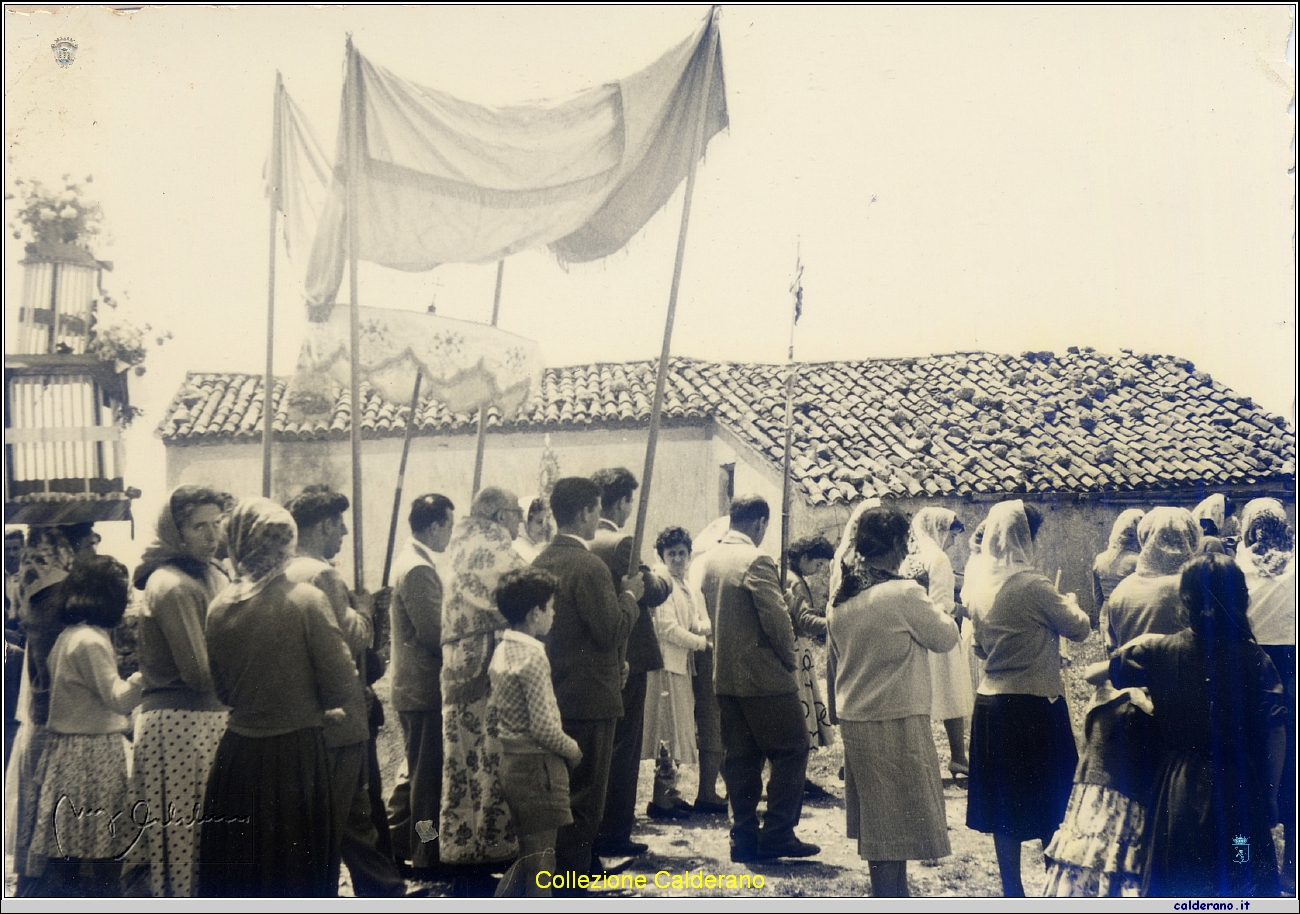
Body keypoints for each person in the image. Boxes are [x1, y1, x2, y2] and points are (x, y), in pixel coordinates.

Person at [199, 498, 361, 897]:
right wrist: (319, 707)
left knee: (242, 870)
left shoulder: (218, 608)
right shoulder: (306, 600)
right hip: (295, 755)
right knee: (294, 868)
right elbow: (342, 683)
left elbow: (221, 691)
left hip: (237, 755)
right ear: (287, 544)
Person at [1042, 506, 1201, 897]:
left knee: (1120, 811)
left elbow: (1113, 649)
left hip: (1119, 703)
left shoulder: (1125, 589)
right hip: (1169, 708)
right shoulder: (1188, 588)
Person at [1110, 555, 1284, 897]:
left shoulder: (1157, 650)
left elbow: (1113, 671)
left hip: (1180, 794)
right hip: (1240, 797)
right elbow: (1275, 734)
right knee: (1241, 874)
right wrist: (1271, 795)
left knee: (1180, 881)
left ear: (1185, 599)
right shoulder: (1256, 661)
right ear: (1242, 598)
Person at [827, 505, 959, 896]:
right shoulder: (903, 593)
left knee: (881, 825)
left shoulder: (842, 599)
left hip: (858, 719)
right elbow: (945, 637)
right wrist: (947, 611)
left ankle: (892, 894)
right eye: (906, 542)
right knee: (894, 825)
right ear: (898, 545)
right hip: (895, 717)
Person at [966, 499, 1091, 897]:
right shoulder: (1034, 584)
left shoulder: (979, 585)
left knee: (1005, 804)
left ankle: (1012, 888)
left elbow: (981, 650)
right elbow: (1079, 629)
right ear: (1025, 537)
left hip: (991, 703)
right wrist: (1069, 602)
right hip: (1036, 702)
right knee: (1050, 797)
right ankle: (1055, 880)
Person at [283, 485, 403, 897]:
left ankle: (383, 886)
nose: (344, 534)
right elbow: (354, 638)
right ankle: (383, 890)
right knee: (355, 813)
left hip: (305, 712)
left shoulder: (282, 570)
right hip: (343, 712)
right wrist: (366, 609)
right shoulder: (322, 575)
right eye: (338, 524)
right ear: (321, 526)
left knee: (343, 816)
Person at [695, 495, 818, 864]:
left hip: (727, 676)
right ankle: (779, 832)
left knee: (741, 760)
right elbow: (778, 621)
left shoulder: (712, 558)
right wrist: (788, 661)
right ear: (761, 523)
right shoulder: (756, 560)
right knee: (793, 748)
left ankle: (743, 837)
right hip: (764, 677)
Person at [124, 486, 232, 897]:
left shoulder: (213, 574)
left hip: (211, 720)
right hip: (181, 726)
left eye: (216, 524)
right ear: (176, 532)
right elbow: (199, 673)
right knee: (186, 839)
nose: (211, 535)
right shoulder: (170, 584)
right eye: (198, 526)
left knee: (213, 835)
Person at [532, 477, 641, 881]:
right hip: (591, 698)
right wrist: (630, 597)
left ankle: (581, 865)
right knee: (587, 797)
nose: (600, 517)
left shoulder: (540, 560)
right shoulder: (590, 566)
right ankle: (574, 879)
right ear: (583, 513)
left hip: (552, 693)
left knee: (562, 792)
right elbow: (610, 630)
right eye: (596, 510)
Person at [27, 556, 143, 896]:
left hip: (67, 751)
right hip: (93, 753)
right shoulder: (92, 641)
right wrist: (144, 676)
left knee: (71, 844)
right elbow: (118, 699)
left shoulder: (68, 636)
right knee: (104, 844)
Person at [439, 486, 526, 870]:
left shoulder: (458, 542)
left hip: (456, 666)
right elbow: (523, 593)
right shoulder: (491, 544)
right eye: (515, 513)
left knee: (458, 764)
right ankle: (493, 852)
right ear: (497, 516)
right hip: (486, 666)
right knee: (493, 761)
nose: (519, 521)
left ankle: (457, 853)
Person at [488, 567, 582, 898]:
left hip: (512, 764)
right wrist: (572, 750)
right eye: (550, 607)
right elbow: (544, 727)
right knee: (543, 866)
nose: (553, 613)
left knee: (529, 859)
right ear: (534, 613)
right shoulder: (533, 655)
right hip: (539, 768)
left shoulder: (502, 650)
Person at [589, 467, 668, 856]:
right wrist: (658, 577)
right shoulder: (621, 543)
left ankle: (597, 827)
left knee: (599, 748)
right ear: (620, 502)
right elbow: (650, 591)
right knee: (623, 750)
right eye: (628, 502)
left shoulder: (582, 540)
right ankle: (615, 830)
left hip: (594, 658)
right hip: (628, 655)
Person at [387, 493, 454, 876]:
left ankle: (394, 843)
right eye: (448, 525)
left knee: (413, 775)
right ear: (433, 526)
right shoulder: (417, 568)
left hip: (415, 689)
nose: (450, 533)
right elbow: (435, 634)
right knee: (427, 784)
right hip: (424, 690)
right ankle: (427, 854)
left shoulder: (414, 562)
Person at [1236, 497, 1295, 889]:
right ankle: (1292, 865)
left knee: (1244, 771)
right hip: (1291, 672)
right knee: (1292, 770)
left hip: (1250, 671)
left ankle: (1244, 861)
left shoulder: (1237, 567)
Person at [899, 509, 973, 778]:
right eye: (952, 535)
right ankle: (958, 757)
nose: (953, 542)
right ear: (939, 532)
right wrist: (967, 610)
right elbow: (941, 604)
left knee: (919, 698)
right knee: (949, 692)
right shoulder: (939, 559)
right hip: (937, 632)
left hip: (912, 634)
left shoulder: (909, 558)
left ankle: (919, 759)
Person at [643, 526, 710, 818]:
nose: (678, 558)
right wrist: (700, 644)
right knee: (667, 732)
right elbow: (667, 629)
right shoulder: (663, 583)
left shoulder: (681, 582)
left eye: (682, 553)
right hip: (666, 666)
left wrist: (705, 629)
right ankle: (660, 800)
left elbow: (692, 620)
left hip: (680, 665)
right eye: (672, 554)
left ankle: (670, 793)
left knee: (677, 730)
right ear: (662, 556)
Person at [784, 535, 837, 793]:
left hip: (795, 649)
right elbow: (803, 619)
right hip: (796, 649)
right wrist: (835, 624)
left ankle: (796, 777)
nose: (818, 571)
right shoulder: (795, 583)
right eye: (817, 565)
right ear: (804, 558)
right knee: (802, 714)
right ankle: (796, 778)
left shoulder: (790, 577)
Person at [1091, 509, 1144, 615]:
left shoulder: (1100, 558)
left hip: (1106, 615)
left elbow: (1097, 598)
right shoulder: (1139, 561)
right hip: (1129, 615)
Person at [512, 496, 553, 564]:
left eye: (546, 522)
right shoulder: (518, 548)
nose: (545, 527)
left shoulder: (536, 546)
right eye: (539, 522)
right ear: (526, 522)